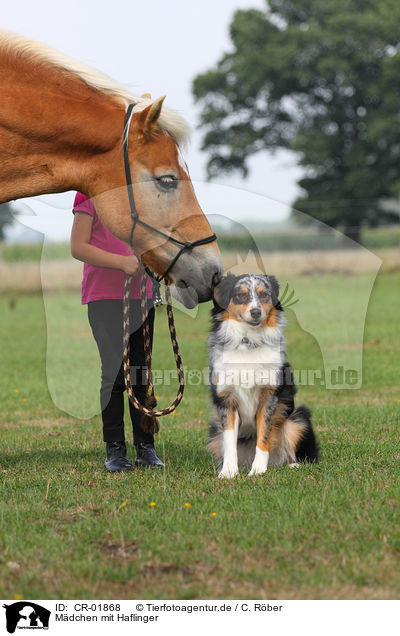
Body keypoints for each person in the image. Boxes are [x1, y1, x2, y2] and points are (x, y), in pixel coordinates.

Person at [70, 192, 164, 472]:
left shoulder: (142, 195)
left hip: (142, 296)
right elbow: (78, 247)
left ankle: (145, 447)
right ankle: (115, 449)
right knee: (112, 374)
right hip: (104, 297)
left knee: (140, 372)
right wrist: (121, 262)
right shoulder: (88, 195)